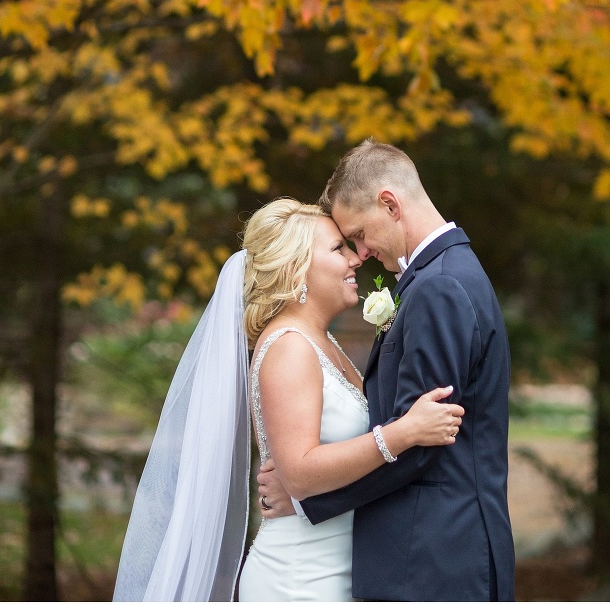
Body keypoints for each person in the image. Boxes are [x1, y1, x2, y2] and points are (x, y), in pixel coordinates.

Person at [113, 197, 463, 602]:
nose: (355, 259)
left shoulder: (321, 341)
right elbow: (298, 473)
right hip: (300, 579)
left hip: (338, 569)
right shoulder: (289, 347)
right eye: (338, 249)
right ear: (297, 270)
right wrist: (402, 434)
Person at [258, 141, 515, 602]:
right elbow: (408, 431)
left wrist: (307, 498)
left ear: (390, 204)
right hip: (428, 555)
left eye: (357, 235)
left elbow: (421, 446)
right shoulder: (439, 278)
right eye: (345, 244)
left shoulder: (439, 288)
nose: (361, 253)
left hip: (434, 558)